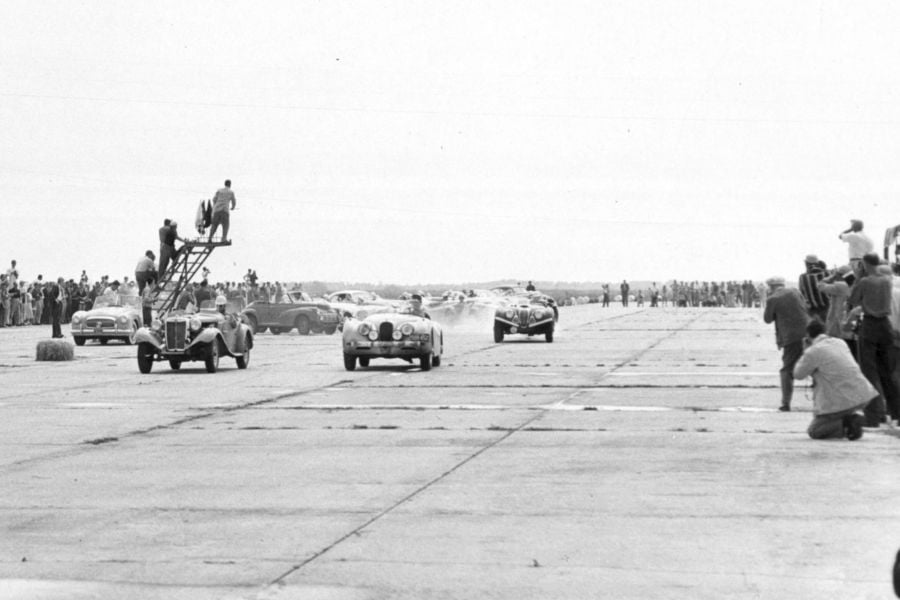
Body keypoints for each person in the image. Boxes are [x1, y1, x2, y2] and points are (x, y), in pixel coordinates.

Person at [793, 319, 874, 440]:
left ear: (808, 336)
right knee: (831, 415)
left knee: (815, 431)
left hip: (841, 400)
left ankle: (848, 424)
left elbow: (798, 374)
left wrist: (805, 350)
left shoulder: (813, 351)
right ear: (824, 331)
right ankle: (850, 420)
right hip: (862, 394)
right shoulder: (840, 343)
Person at [848, 253, 900, 427]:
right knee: (888, 372)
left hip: (870, 325)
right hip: (885, 326)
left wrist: (859, 277)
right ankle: (896, 412)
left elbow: (853, 300)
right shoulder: (887, 280)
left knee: (869, 371)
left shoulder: (865, 281)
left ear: (864, 264)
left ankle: (874, 415)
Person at [763, 276, 810, 412]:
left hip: (791, 338)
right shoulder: (795, 291)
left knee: (787, 370)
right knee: (815, 365)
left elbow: (767, 319)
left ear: (771, 287)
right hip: (808, 333)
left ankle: (786, 403)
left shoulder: (773, 299)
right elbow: (805, 306)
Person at [817, 264, 856, 358]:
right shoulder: (855, 285)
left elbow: (820, 285)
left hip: (837, 325)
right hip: (851, 324)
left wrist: (832, 276)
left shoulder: (840, 286)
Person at [798, 255, 829, 322]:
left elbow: (801, 294)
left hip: (813, 311)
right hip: (828, 308)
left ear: (806, 263)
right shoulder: (827, 273)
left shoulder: (803, 277)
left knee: (816, 330)